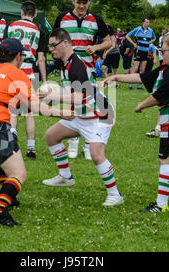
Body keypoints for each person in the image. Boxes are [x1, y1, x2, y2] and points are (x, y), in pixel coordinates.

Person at [0, 38, 73, 226]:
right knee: (19, 174)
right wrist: (62, 113)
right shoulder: (18, 74)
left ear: (0, 55)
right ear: (19, 56)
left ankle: (10, 198)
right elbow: (38, 108)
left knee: (2, 156)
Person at [103, 35, 169, 213]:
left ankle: (161, 205)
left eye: (164, 50)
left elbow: (160, 95)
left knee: (166, 159)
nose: (161, 53)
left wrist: (141, 106)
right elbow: (144, 77)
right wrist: (116, 78)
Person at [40, 28, 123, 206]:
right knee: (51, 136)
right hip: (82, 114)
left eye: (54, 46)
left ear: (65, 43)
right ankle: (65, 177)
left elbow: (78, 97)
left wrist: (52, 96)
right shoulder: (63, 62)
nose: (51, 50)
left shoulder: (76, 65)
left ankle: (115, 195)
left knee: (96, 154)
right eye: (50, 46)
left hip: (100, 114)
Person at [53, 0, 111, 160]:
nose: (81, 6)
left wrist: (96, 47)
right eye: (78, 2)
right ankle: (72, 143)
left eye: (84, 3)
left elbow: (109, 41)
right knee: (72, 102)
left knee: (88, 104)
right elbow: (54, 41)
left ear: (89, 2)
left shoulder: (96, 20)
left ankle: (88, 143)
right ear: (73, 1)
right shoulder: (62, 18)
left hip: (88, 68)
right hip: (68, 66)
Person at [4, 1, 47, 160]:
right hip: (30, 72)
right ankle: (31, 150)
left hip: (13, 71)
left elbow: (3, 51)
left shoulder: (11, 26)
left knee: (13, 110)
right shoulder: (39, 31)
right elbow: (41, 58)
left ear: (21, 11)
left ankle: (12, 141)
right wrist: (44, 80)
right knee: (30, 113)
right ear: (35, 14)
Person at [126, 17, 156, 89]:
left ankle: (139, 86)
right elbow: (127, 36)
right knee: (136, 68)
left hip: (146, 52)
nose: (147, 24)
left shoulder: (150, 30)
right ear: (143, 22)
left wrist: (149, 43)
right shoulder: (138, 29)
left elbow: (154, 38)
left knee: (142, 69)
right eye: (146, 22)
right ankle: (131, 84)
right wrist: (133, 44)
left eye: (148, 22)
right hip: (138, 51)